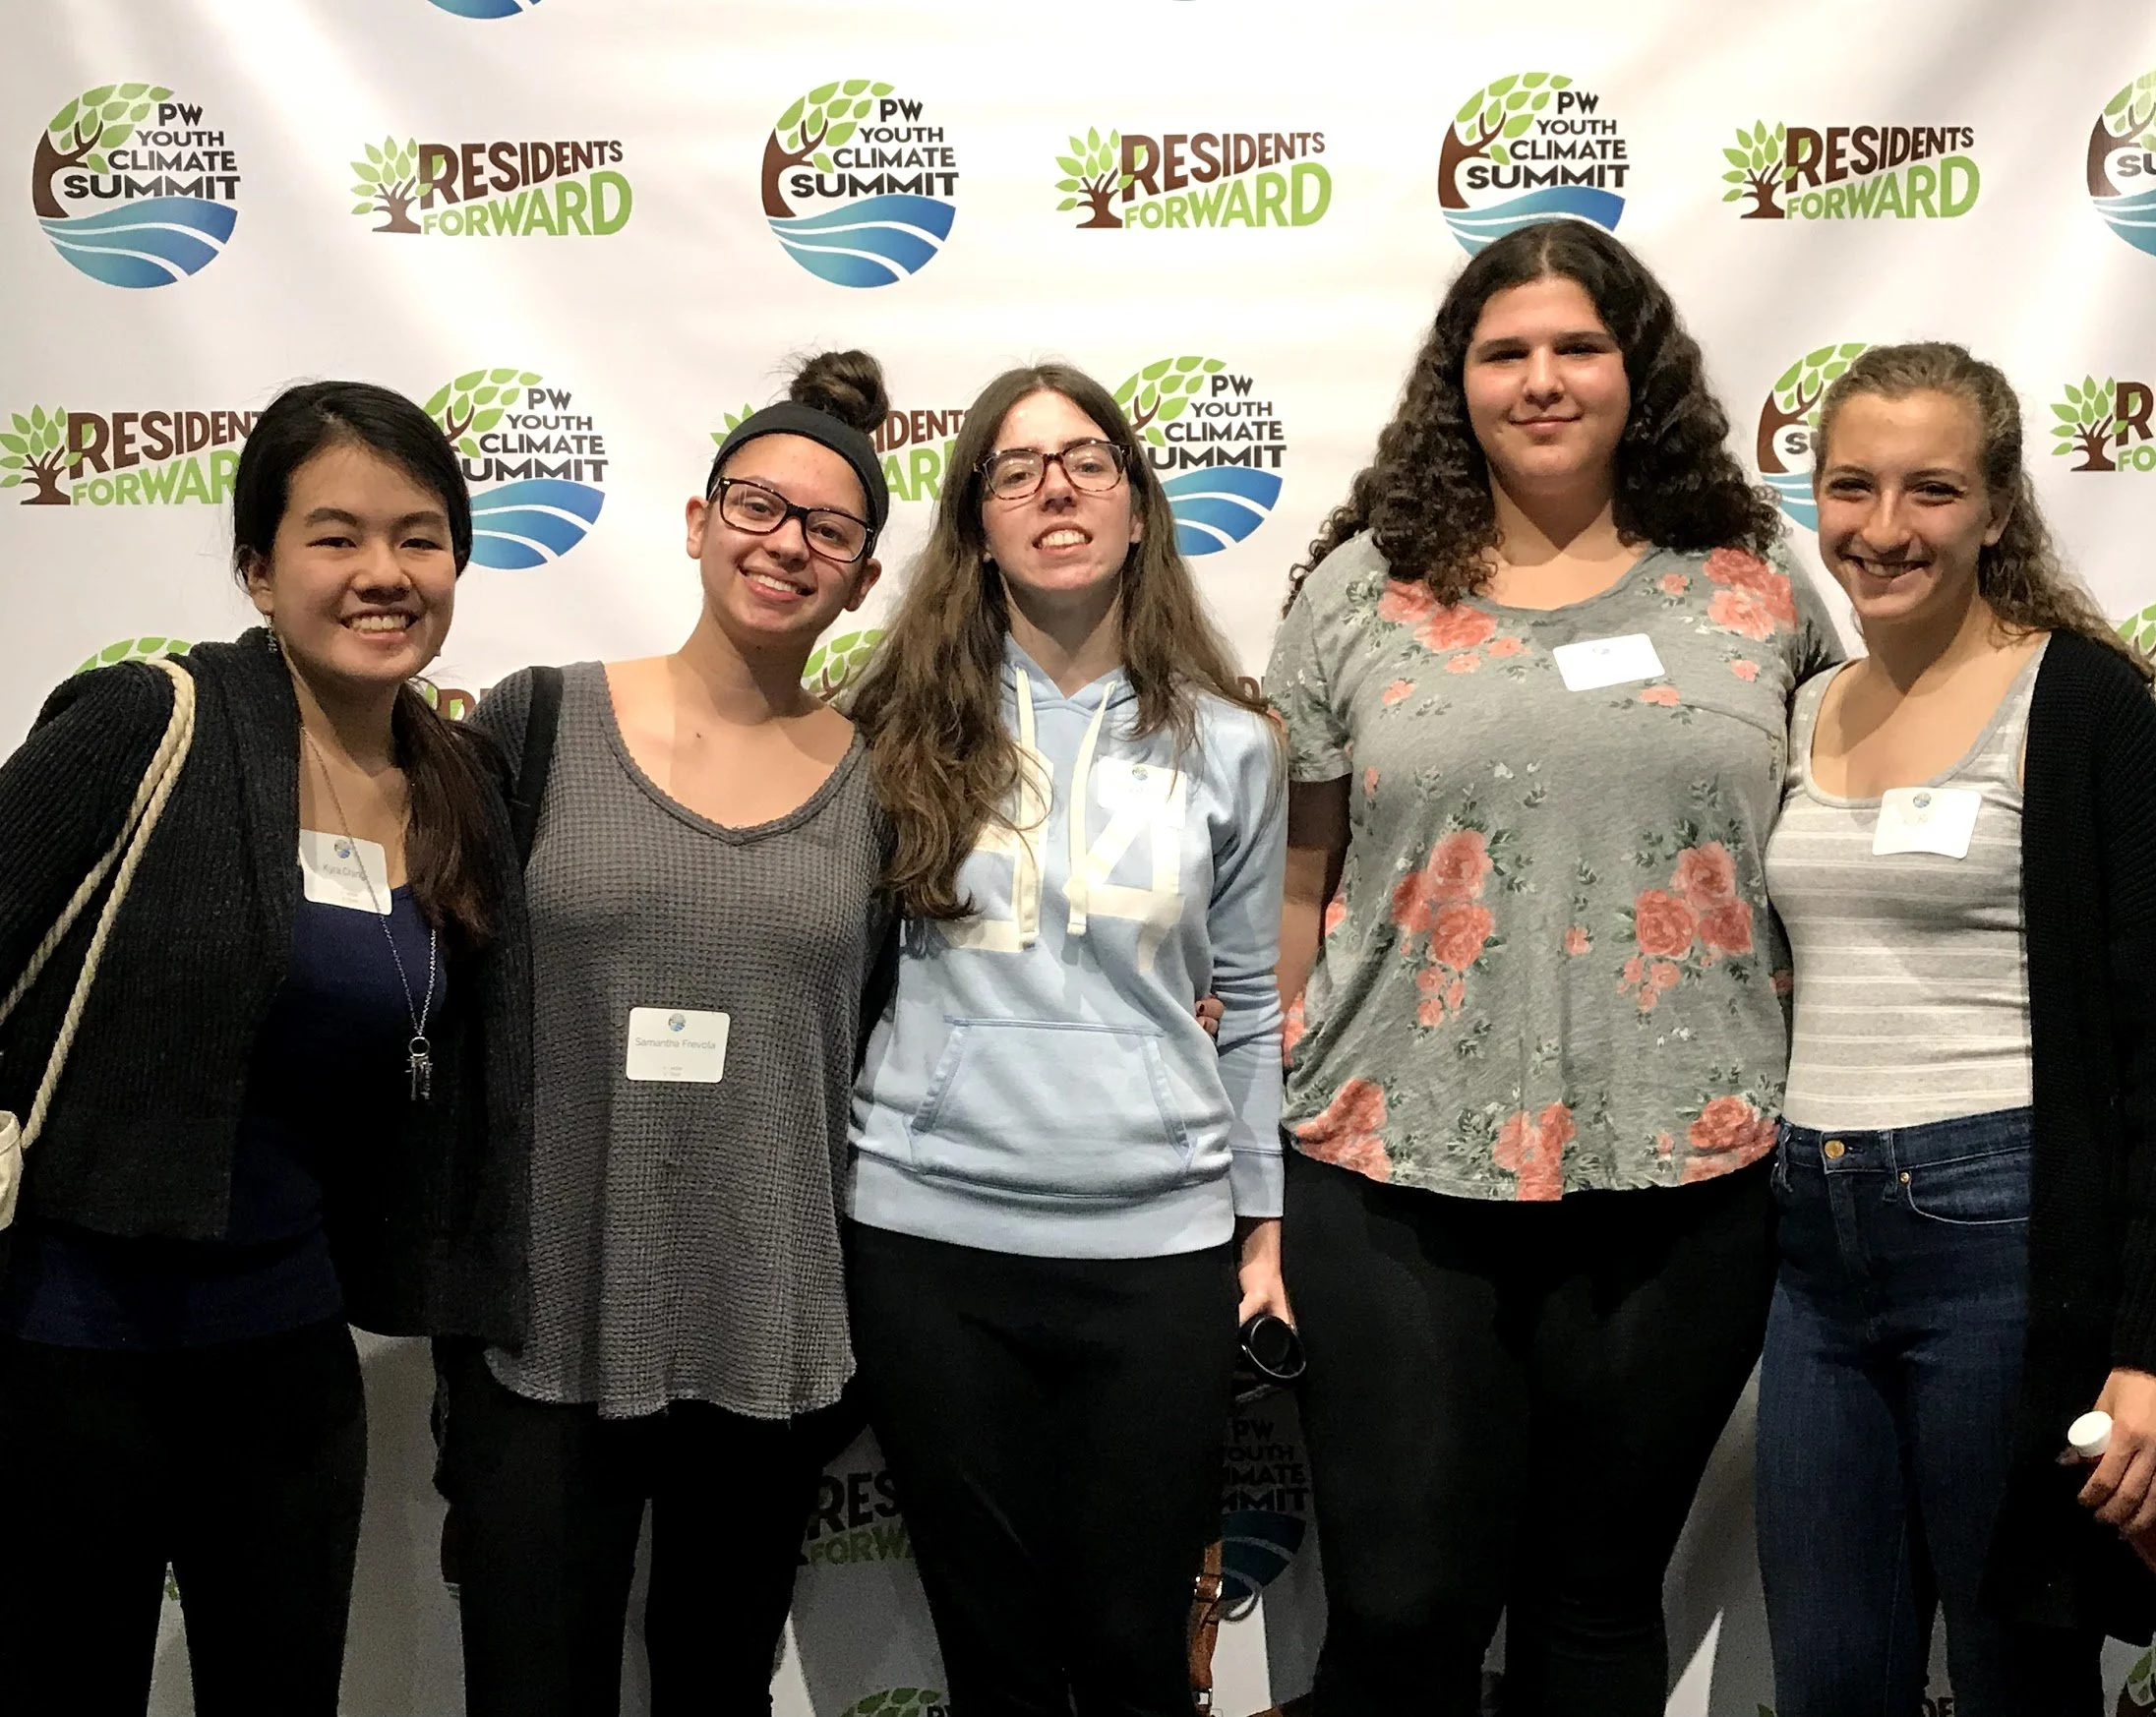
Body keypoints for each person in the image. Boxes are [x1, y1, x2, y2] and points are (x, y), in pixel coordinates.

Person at [1264, 219, 1843, 1716]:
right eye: (1503, 351)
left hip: (1684, 1165)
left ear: (1634, 368)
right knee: (1402, 1608)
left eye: (1576, 346)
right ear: (1453, 381)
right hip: (1390, 1158)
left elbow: (1848, 811)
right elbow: (1300, 872)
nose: (1541, 379)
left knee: (1594, 1609)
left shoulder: (1756, 580)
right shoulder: (1359, 587)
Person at [0, 380, 530, 1716]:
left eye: (419, 536)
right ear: (258, 565)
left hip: (288, 1354)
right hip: (70, 1349)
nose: (384, 573)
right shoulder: (147, 724)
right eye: (335, 535)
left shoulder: (458, 784)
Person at [1755, 341, 2156, 1715]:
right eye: (1851, 487)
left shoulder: (2081, 700)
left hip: (2004, 1244)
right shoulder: (1808, 706)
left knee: (2017, 1675)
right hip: (1811, 1252)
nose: (1883, 526)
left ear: (1995, 507)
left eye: (1932, 489)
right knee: (1827, 1679)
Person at [440, 352, 895, 1717]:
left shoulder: (883, 783)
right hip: (547, 1313)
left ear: (863, 578)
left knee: (714, 1687)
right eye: (758, 505)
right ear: (699, 522)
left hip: (769, 1325)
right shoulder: (539, 718)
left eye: (828, 526)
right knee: (531, 1687)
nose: (786, 543)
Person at [844, 362, 1288, 1716]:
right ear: (975, 519)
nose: (1056, 487)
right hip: (931, 1243)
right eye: (1017, 466)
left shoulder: (1231, 746)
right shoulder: (888, 729)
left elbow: (1255, 1000)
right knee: (995, 1656)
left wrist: (1262, 1222)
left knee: (1133, 1654)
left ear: (1140, 508)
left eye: (1089, 460)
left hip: (1156, 1249)